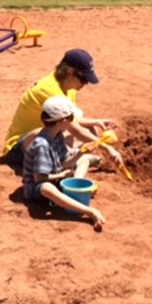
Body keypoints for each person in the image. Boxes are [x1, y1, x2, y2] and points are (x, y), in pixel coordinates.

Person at [3, 48, 123, 168]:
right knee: (70, 133)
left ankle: (69, 157)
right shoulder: (49, 90)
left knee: (92, 130)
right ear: (70, 72)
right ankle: (68, 160)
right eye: (83, 79)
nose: (85, 83)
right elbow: (74, 129)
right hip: (20, 148)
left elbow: (71, 120)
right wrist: (107, 148)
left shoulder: (68, 87)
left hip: (45, 138)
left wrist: (97, 122)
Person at [22, 96, 106, 230]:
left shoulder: (57, 135)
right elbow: (39, 178)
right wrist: (61, 175)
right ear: (62, 121)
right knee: (47, 188)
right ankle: (89, 211)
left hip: (56, 176)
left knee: (84, 159)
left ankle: (74, 190)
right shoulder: (42, 144)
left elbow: (65, 162)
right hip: (38, 187)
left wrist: (81, 153)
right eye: (71, 119)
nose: (73, 122)